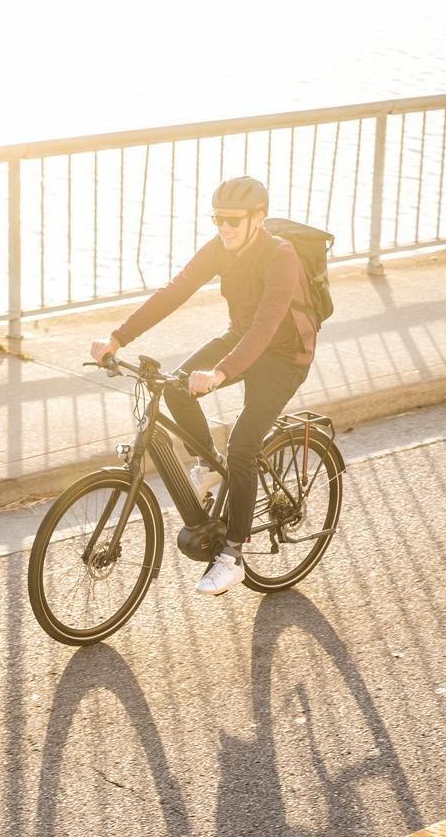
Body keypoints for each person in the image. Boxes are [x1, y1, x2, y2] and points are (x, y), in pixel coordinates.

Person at [90, 176, 321, 595]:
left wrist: (220, 374)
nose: (225, 228)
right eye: (218, 219)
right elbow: (174, 291)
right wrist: (118, 338)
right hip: (241, 338)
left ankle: (233, 553)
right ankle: (208, 463)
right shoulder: (221, 247)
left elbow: (267, 326)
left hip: (285, 355)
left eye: (234, 220)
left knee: (245, 444)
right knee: (177, 387)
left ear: (258, 218)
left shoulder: (280, 256)